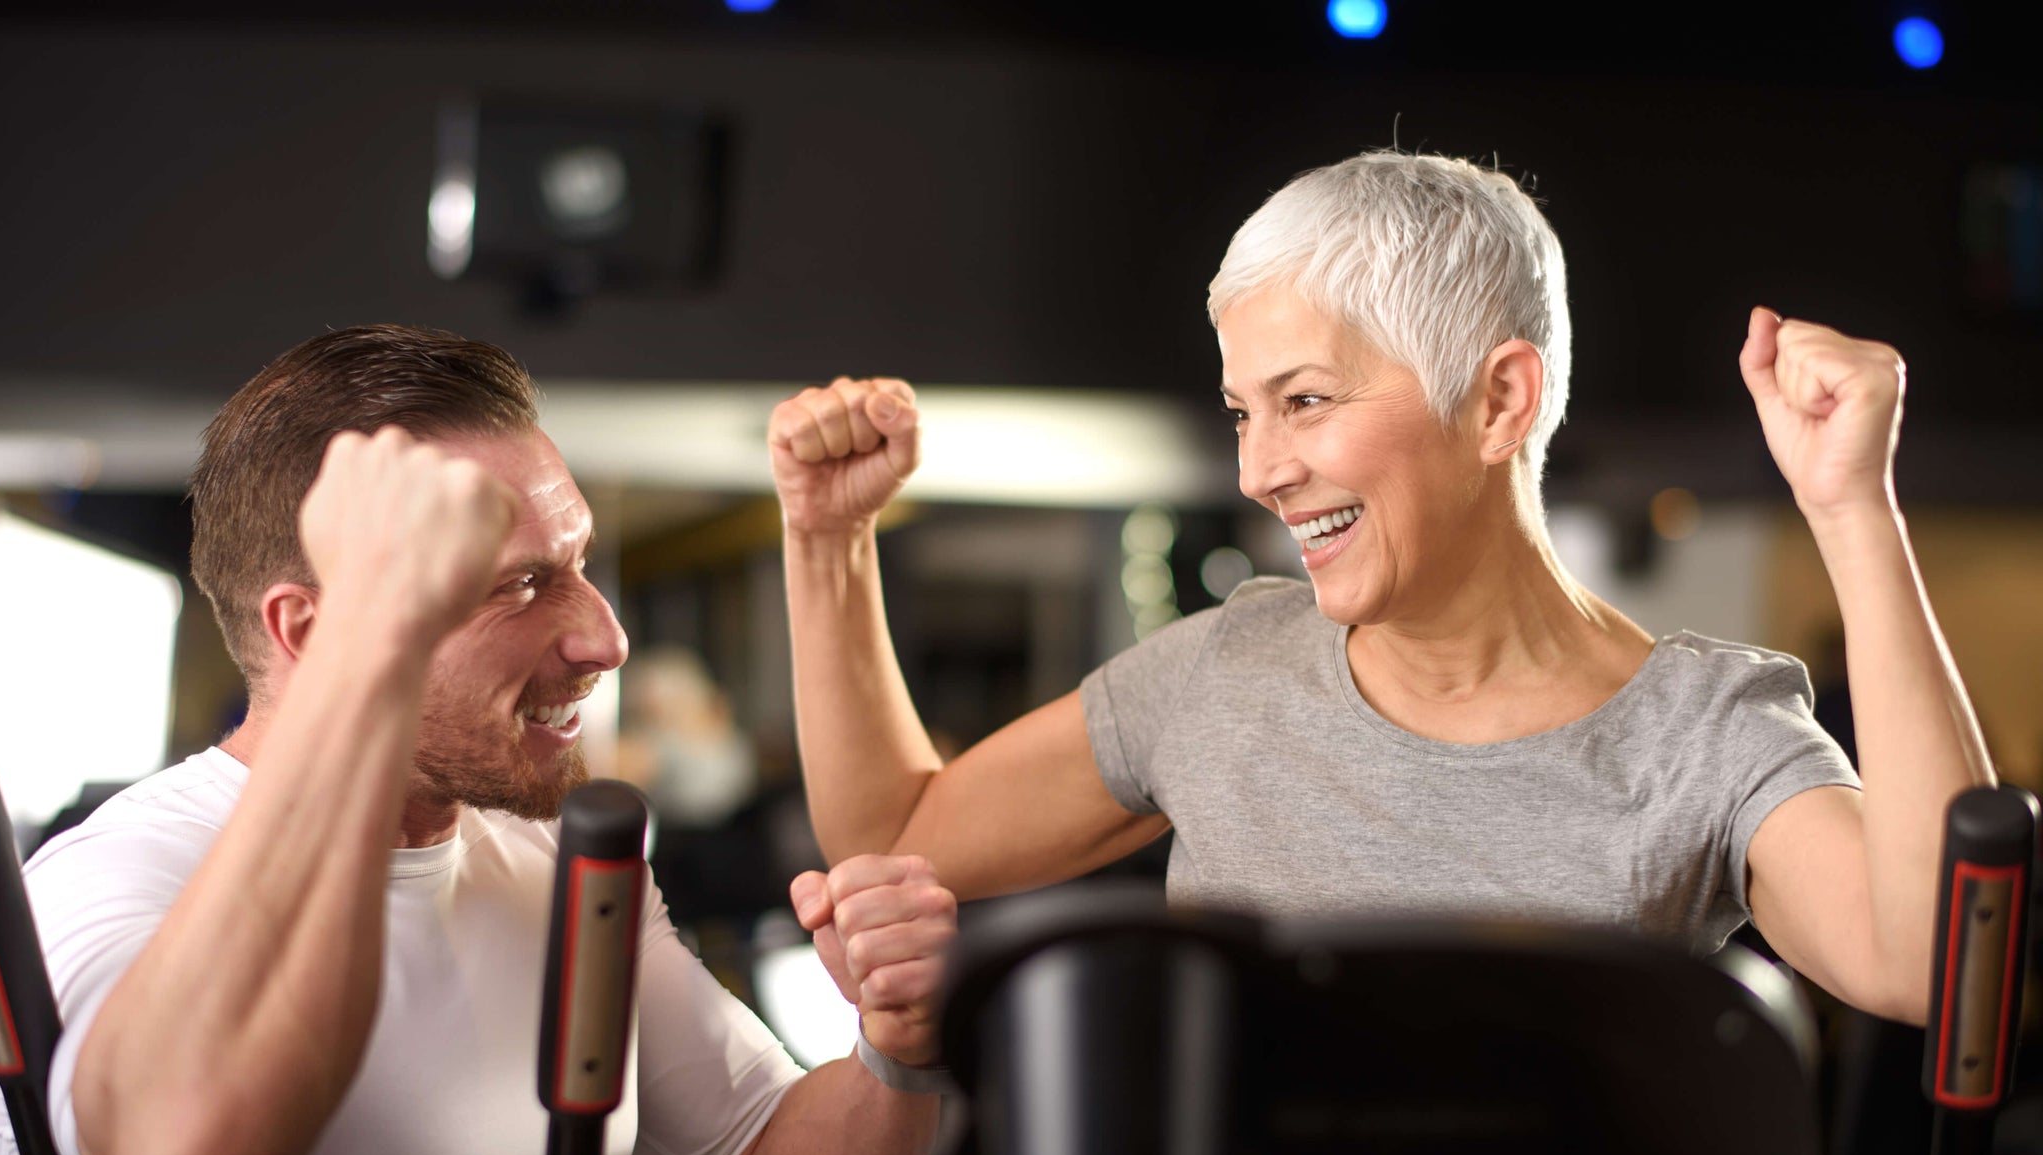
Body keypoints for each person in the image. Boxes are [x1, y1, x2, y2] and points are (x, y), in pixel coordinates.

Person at [767, 150, 1996, 1026]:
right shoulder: (1218, 676)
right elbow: (895, 839)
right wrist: (829, 543)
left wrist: (1848, 507)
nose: (1259, 467)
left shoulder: (1703, 738)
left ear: (1498, 400)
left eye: (1304, 400)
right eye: (1242, 412)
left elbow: (1940, 971)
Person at [0, 325, 958, 1155]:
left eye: (577, 563)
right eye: (517, 583)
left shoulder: (550, 861)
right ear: (312, 632)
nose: (603, 637)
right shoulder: (111, 884)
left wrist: (890, 1042)